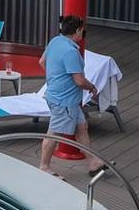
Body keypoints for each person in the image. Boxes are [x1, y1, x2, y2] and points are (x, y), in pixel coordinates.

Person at [37, 14, 104, 173]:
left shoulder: (55, 41)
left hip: (60, 97)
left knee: (81, 127)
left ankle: (93, 161)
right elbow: (80, 81)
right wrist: (92, 87)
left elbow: (42, 62)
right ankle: (44, 167)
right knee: (54, 133)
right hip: (64, 101)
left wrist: (54, 79)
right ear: (78, 30)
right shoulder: (71, 52)